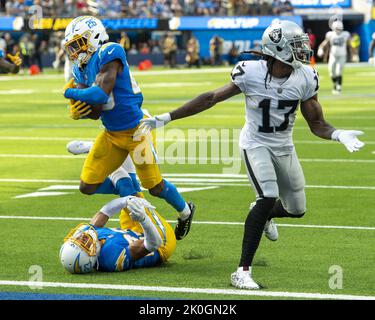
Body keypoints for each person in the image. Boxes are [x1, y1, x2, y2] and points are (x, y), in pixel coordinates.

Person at [139, 20, 365, 289]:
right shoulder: (250, 72)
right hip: (255, 143)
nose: (303, 50)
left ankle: (266, 214)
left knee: (297, 209)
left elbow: (316, 123)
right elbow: (211, 97)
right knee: (267, 196)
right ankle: (242, 271)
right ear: (278, 49)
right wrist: (168, 117)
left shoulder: (306, 76)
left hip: (284, 146)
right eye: (295, 45)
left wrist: (338, 134)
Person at [61, 16, 195, 241]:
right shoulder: (80, 69)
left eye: (78, 43)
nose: (75, 51)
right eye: (72, 46)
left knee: (154, 186)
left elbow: (100, 94)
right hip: (112, 133)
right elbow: (95, 111)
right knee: (87, 186)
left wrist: (71, 94)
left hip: (137, 130)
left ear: (93, 37)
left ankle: (185, 212)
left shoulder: (110, 51)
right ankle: (125, 187)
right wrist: (79, 111)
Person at [60, 196, 176, 273]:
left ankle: (121, 161)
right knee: (135, 195)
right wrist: (143, 219)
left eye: (77, 240)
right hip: (161, 243)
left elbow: (105, 211)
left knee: (128, 194)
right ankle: (184, 211)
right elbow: (153, 244)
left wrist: (125, 200)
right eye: (83, 244)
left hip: (132, 231)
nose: (82, 237)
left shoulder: (88, 234)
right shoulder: (111, 259)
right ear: (90, 258)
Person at [317, 20, 351, 94]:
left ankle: (339, 87)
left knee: (339, 71)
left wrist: (353, 54)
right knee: (331, 72)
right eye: (337, 29)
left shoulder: (345, 34)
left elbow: (349, 44)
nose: (338, 30)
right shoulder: (330, 35)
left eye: (340, 29)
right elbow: (325, 43)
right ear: (333, 28)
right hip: (333, 55)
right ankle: (335, 84)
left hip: (342, 56)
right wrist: (320, 48)